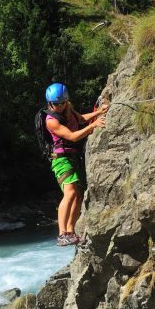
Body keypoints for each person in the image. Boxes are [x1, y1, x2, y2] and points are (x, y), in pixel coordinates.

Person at [44, 82, 109, 246]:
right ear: (50, 103)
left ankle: (71, 232)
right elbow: (72, 136)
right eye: (56, 104)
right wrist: (93, 125)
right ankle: (61, 234)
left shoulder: (68, 107)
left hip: (73, 157)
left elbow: (80, 119)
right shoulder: (51, 120)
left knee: (79, 195)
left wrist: (100, 111)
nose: (60, 106)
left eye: (62, 103)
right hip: (61, 159)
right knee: (70, 193)